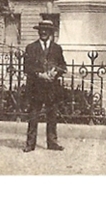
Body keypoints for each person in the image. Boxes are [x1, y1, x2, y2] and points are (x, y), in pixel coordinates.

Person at [23, 17, 68, 152]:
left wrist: (55, 72)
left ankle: (52, 142)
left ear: (51, 32)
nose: (43, 32)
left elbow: (63, 66)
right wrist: (39, 74)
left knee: (52, 115)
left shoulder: (57, 48)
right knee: (33, 115)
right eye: (41, 30)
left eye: (46, 30)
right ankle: (30, 144)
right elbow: (26, 67)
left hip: (51, 88)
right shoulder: (31, 48)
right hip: (36, 87)